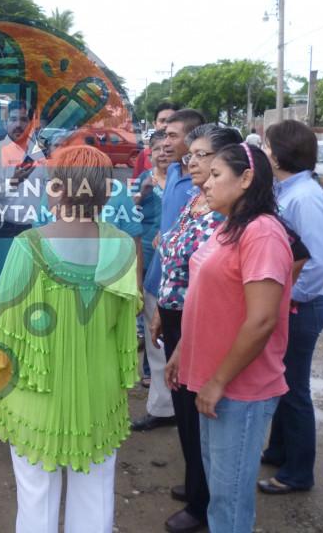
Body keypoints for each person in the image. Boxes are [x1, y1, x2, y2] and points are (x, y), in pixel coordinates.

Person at [0, 145, 141, 533]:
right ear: (104, 192)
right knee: (95, 494)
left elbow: (0, 329)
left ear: (58, 190)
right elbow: (126, 330)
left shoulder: (28, 246)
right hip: (99, 393)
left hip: (35, 393)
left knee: (36, 497)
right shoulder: (124, 247)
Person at [166, 142, 293, 532]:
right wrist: (182, 352)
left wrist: (219, 381)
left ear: (247, 178)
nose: (205, 182)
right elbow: (209, 300)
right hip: (211, 381)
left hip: (239, 388)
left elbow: (261, 321)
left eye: (217, 174)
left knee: (230, 499)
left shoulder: (263, 234)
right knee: (219, 491)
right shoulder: (229, 227)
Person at [151, 124, 243, 533]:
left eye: (202, 155)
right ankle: (195, 487)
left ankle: (203, 504)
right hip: (175, 312)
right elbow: (175, 256)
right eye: (194, 153)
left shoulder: (232, 213)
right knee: (186, 411)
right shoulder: (196, 199)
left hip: (198, 321)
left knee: (198, 413)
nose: (191, 160)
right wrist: (159, 311)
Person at [258, 120, 323, 494]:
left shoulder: (304, 196)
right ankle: (279, 450)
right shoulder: (286, 189)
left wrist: (285, 300)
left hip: (303, 305)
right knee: (282, 382)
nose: (264, 152)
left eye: (268, 146)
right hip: (293, 302)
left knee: (295, 389)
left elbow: (316, 264)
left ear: (282, 152)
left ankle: (298, 473)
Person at [134, 108, 205, 437]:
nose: (164, 138)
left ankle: (188, 413)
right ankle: (164, 409)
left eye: (172, 134)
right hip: (160, 278)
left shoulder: (202, 176)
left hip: (188, 284)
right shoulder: (175, 172)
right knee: (158, 347)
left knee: (186, 351)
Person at [132, 131, 176, 424]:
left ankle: (173, 401)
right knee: (154, 331)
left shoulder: (182, 180)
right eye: (157, 149)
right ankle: (162, 404)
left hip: (176, 265)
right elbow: (126, 211)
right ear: (150, 152)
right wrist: (141, 194)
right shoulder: (144, 179)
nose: (162, 153)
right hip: (148, 257)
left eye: (166, 148)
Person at [0, 100, 47, 294]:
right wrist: (14, 181)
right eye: (13, 119)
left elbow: (45, 188)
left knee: (29, 284)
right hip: (5, 229)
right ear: (5, 123)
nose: (18, 124)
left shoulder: (38, 153)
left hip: (33, 230)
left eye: (23, 119)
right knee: (1, 284)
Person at [133, 101, 179, 177]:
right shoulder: (144, 155)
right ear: (154, 124)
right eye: (162, 121)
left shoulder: (185, 154)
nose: (166, 125)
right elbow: (134, 184)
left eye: (171, 121)